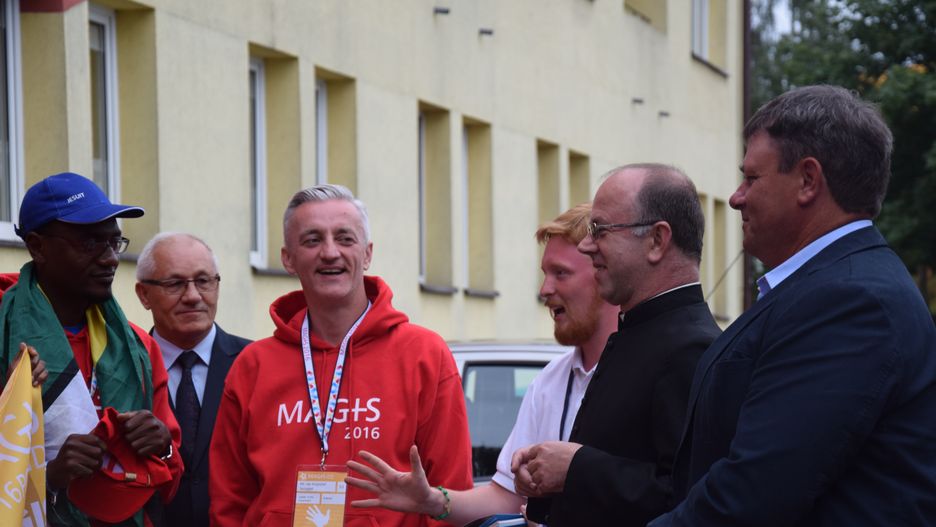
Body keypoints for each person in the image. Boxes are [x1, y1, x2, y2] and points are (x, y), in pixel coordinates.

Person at [650, 86, 936, 526]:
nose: (736, 197)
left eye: (752, 178)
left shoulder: (850, 301)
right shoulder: (833, 287)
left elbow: (754, 492)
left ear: (807, 180)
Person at [209, 184, 473, 526]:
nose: (330, 252)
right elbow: (229, 501)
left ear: (367, 254)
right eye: (312, 240)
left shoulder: (424, 355)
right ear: (288, 258)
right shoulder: (253, 366)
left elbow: (450, 492)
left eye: (345, 239)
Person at [344, 203, 620, 525]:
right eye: (545, 274)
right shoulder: (550, 382)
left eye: (561, 273)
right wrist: (433, 500)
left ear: (603, 272)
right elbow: (505, 497)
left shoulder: (648, 374)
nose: (544, 289)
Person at [512, 164, 722, 526]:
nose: (587, 245)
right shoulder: (637, 331)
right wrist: (547, 477)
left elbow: (689, 498)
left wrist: (575, 468)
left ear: (657, 240)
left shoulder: (692, 349)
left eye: (601, 230)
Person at [0, 172, 182, 525]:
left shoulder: (138, 347)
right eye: (90, 243)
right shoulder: (7, 339)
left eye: (114, 242)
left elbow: (171, 478)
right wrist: (50, 477)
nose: (110, 258)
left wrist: (162, 446)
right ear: (37, 247)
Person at [135, 233, 251, 527]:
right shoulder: (124, 368)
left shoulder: (255, 364)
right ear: (144, 294)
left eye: (203, 281)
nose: (193, 296)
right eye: (174, 284)